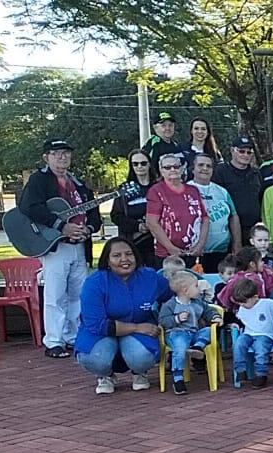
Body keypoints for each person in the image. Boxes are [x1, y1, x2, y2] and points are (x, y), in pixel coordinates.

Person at [20, 139, 101, 358]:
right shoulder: (39, 180)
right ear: (46, 157)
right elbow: (29, 207)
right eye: (56, 153)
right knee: (55, 294)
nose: (62, 157)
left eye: (65, 153)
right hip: (55, 244)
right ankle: (54, 340)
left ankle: (73, 336)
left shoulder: (79, 183)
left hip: (78, 245)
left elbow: (94, 213)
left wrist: (89, 228)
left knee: (77, 294)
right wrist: (61, 226)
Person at [75, 238, 170, 393]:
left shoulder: (150, 277)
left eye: (129, 254)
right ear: (107, 260)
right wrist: (137, 327)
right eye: (117, 255)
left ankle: (139, 372)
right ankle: (105, 375)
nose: (124, 259)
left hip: (140, 332)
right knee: (94, 358)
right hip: (102, 333)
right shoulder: (94, 283)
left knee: (142, 356)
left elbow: (173, 294)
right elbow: (98, 324)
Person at [158, 271, 222, 395]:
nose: (199, 289)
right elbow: (162, 321)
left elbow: (208, 310)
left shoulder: (197, 302)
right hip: (177, 333)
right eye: (196, 286)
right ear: (185, 290)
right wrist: (176, 319)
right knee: (180, 347)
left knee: (208, 331)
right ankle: (178, 378)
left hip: (194, 333)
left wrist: (215, 317)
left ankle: (197, 347)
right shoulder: (170, 305)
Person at [146, 153, 208, 268]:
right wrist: (171, 248)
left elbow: (204, 218)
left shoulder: (193, 190)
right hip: (167, 256)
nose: (172, 170)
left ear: (181, 168)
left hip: (193, 253)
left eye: (176, 166)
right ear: (161, 170)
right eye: (167, 167)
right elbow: (151, 222)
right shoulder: (156, 191)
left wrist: (200, 245)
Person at [187, 153, 240, 270]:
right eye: (201, 165)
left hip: (220, 251)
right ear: (193, 169)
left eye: (209, 166)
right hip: (194, 252)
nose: (205, 168)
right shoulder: (185, 190)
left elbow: (234, 216)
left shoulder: (222, 191)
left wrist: (237, 244)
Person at [229, 278, 273, 388]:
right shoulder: (242, 307)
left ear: (255, 297)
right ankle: (240, 370)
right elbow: (240, 320)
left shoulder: (267, 303)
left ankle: (261, 374)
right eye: (239, 302)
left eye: (244, 302)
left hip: (265, 335)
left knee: (260, 348)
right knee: (239, 344)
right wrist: (236, 324)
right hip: (249, 333)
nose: (242, 305)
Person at [112, 149, 158, 268]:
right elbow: (116, 216)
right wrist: (137, 226)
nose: (139, 167)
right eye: (135, 164)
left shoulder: (159, 187)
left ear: (149, 164)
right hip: (133, 243)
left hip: (158, 243)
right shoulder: (124, 189)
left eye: (143, 163)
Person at [213, 136, 262, 244]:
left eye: (249, 152)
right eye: (241, 151)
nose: (245, 155)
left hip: (253, 230)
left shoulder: (256, 173)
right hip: (229, 228)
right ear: (232, 151)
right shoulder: (221, 171)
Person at [218, 245, 273, 311]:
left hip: (263, 308)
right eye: (260, 261)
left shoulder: (264, 273)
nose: (263, 263)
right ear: (252, 264)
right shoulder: (238, 278)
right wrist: (234, 305)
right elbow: (226, 296)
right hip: (245, 311)